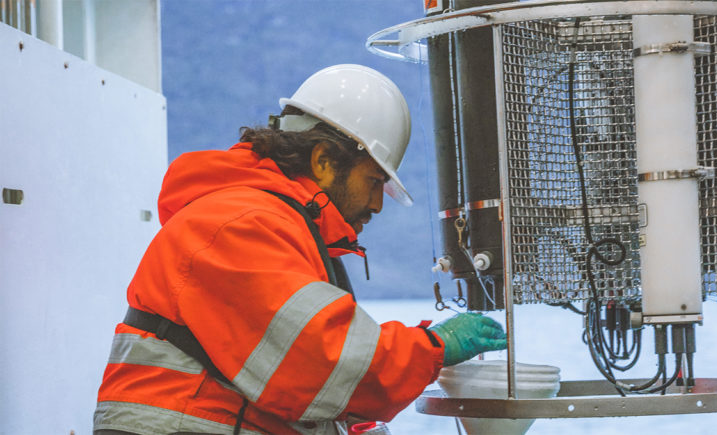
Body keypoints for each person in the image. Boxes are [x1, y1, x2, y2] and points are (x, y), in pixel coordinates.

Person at [93, 64, 506, 435]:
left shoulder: (269, 223)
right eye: (375, 182)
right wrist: (434, 347)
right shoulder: (242, 224)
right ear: (325, 160)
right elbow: (321, 360)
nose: (378, 204)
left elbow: (285, 376)